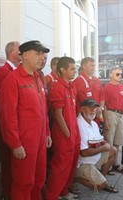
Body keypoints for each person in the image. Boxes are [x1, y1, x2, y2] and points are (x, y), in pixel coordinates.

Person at [0, 40, 52, 200]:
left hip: (40, 140)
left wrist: (47, 132)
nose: (42, 58)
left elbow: (43, 109)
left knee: (39, 180)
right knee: (23, 183)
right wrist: (15, 143)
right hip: (25, 143)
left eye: (42, 54)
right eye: (38, 54)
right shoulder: (12, 79)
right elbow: (7, 115)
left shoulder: (37, 78)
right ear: (26, 55)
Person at [44, 57, 80, 200]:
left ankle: (64, 191)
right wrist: (67, 134)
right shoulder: (57, 86)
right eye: (72, 69)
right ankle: (51, 195)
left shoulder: (71, 86)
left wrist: (75, 134)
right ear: (62, 70)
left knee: (71, 164)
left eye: (74, 69)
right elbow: (57, 114)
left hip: (73, 131)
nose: (74, 72)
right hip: (64, 134)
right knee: (60, 167)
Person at [0, 41, 21, 199]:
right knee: (8, 163)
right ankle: (7, 193)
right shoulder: (4, 72)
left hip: (18, 126)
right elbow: (4, 105)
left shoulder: (14, 71)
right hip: (8, 126)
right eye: (19, 49)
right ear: (11, 52)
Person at [74, 98, 119, 193]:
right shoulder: (79, 124)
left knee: (113, 150)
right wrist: (104, 147)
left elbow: (102, 141)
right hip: (83, 163)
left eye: (95, 108)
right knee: (100, 186)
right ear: (82, 109)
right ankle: (73, 178)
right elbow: (84, 153)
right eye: (90, 108)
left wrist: (105, 145)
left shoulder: (93, 123)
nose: (93, 110)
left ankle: (102, 180)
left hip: (94, 159)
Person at [104, 67, 123, 174]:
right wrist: (106, 120)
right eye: (117, 74)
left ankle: (115, 164)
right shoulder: (107, 87)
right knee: (109, 140)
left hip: (121, 115)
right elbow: (104, 105)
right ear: (111, 75)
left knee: (118, 141)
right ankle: (107, 166)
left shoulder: (122, 87)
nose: (120, 76)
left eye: (121, 74)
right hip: (111, 113)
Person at [72, 57, 105, 126]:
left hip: (96, 118)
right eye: (91, 65)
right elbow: (80, 102)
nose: (93, 68)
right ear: (84, 66)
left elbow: (102, 97)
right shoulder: (78, 82)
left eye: (94, 66)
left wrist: (100, 107)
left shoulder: (96, 80)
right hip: (84, 119)